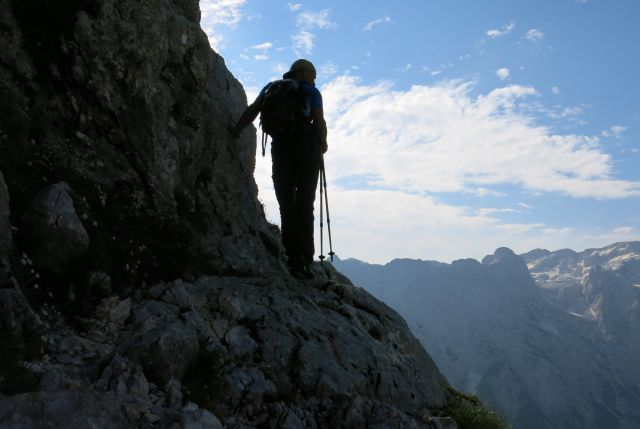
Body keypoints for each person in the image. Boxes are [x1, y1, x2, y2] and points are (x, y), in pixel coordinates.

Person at [230, 59, 328, 279]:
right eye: (313, 74)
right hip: (307, 152)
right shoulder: (311, 92)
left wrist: (235, 131)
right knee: (305, 204)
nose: (314, 79)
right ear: (303, 72)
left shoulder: (272, 88)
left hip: (282, 152)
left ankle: (291, 256)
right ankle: (303, 259)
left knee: (286, 205)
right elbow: (319, 121)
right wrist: (322, 144)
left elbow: (253, 111)